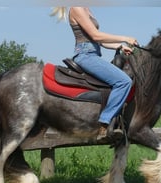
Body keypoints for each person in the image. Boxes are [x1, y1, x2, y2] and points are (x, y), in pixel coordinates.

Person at [51, 7, 138, 141]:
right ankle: (104, 123)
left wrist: (120, 46)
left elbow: (99, 41)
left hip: (94, 55)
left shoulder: (88, 9)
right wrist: (125, 38)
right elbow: (95, 35)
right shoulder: (77, 8)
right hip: (85, 55)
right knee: (124, 81)